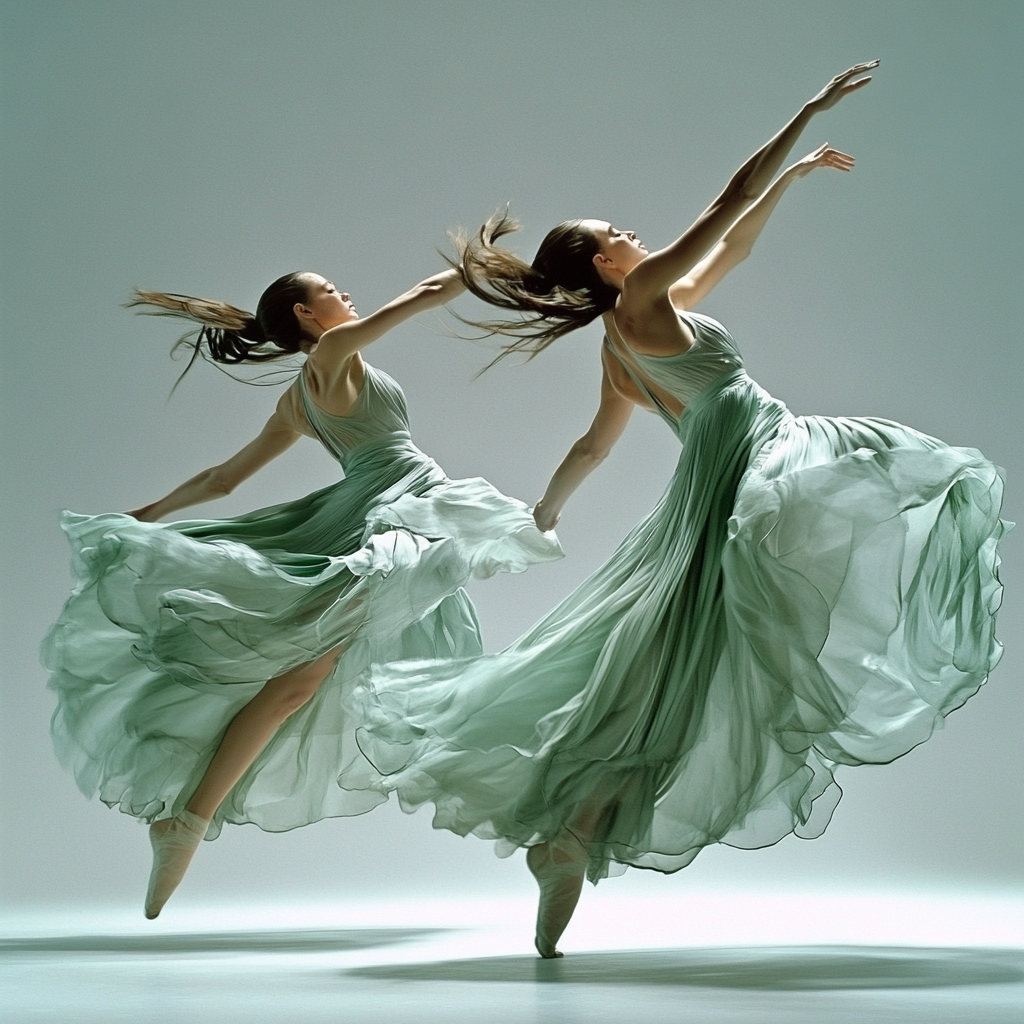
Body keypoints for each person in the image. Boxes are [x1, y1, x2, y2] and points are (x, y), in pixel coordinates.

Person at [348, 62, 1008, 957]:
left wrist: (549, 508)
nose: (632, 233)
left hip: (716, 486)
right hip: (752, 464)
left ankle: (569, 833)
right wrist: (802, 114)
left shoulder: (631, 337)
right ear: (604, 264)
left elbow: (606, 429)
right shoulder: (646, 297)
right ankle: (571, 830)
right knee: (920, 473)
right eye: (617, 233)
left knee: (676, 665)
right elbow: (720, 213)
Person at [42, 265, 562, 919]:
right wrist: (493, 270)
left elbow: (223, 479)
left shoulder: (300, 397)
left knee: (298, 684)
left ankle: (188, 822)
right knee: (316, 679)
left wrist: (149, 512)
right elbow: (426, 296)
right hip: (394, 516)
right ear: (306, 316)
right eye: (330, 290)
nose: (345, 293)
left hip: (391, 513)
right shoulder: (336, 355)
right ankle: (189, 822)